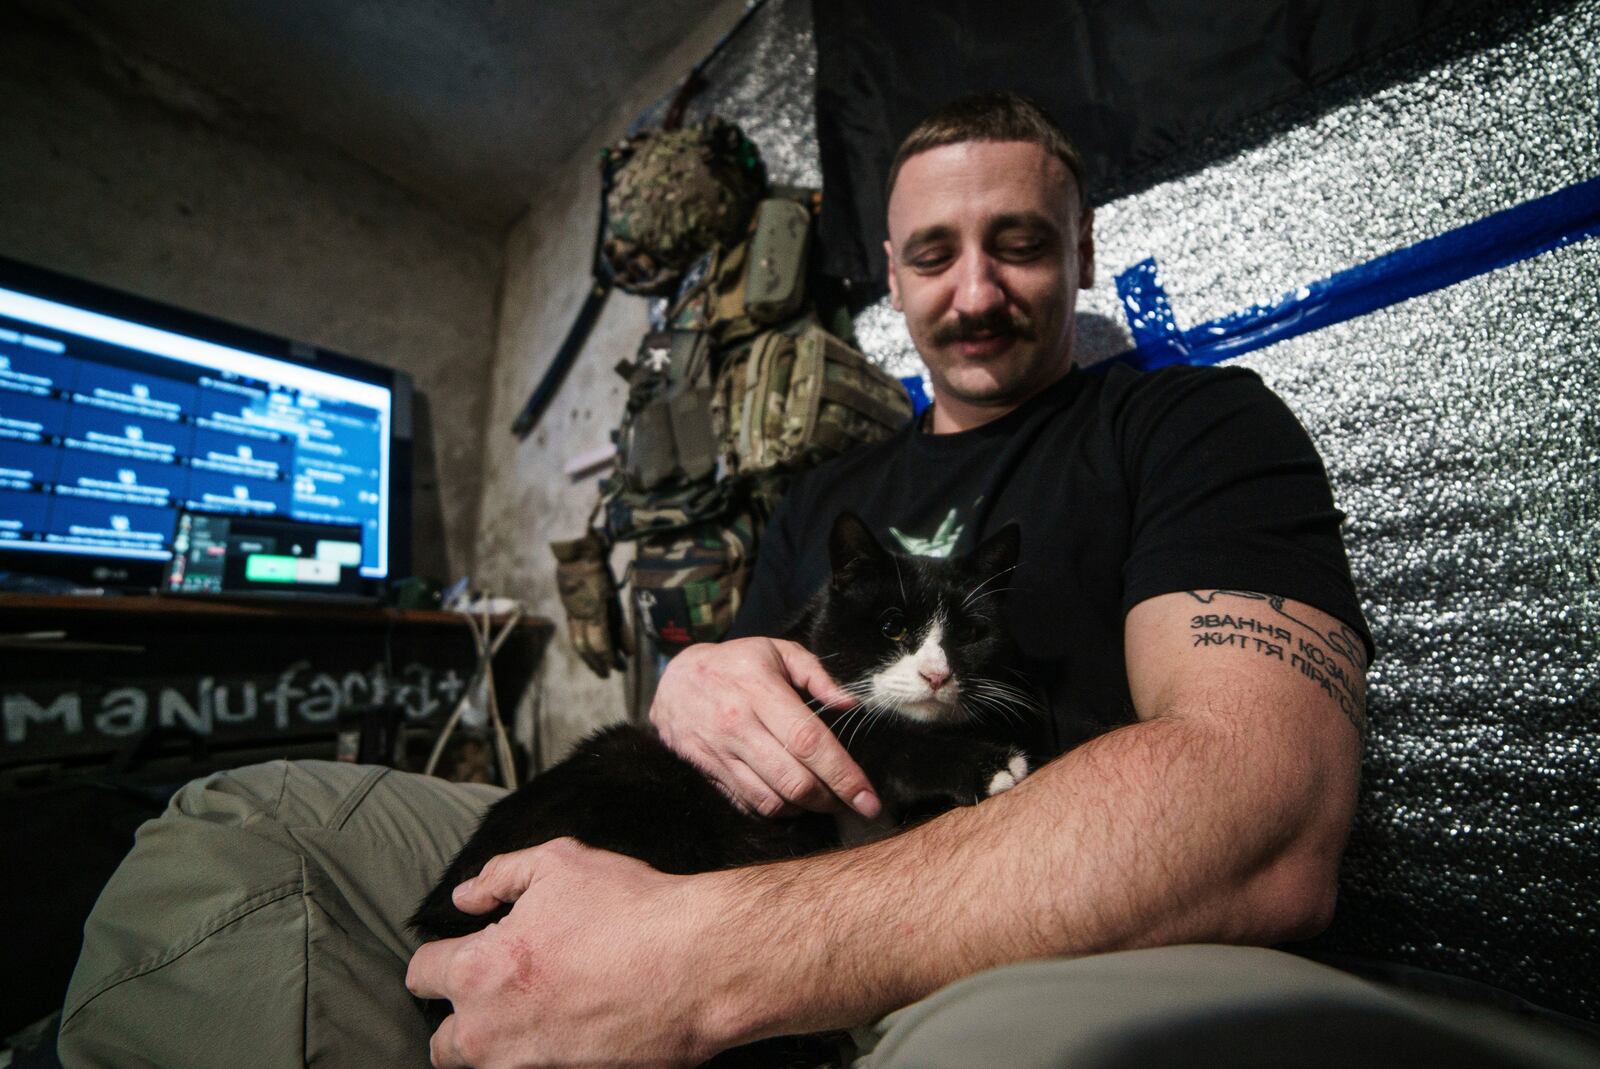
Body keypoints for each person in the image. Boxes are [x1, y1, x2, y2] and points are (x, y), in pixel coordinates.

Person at [59, 93, 1591, 1069]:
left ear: (1080, 249)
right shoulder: (830, 495)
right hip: (708, 840)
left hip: (972, 919)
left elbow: (1264, 816)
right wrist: (692, 674)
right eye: (934, 253)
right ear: (888, 268)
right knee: (243, 820)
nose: (975, 289)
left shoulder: (1189, 426)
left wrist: (702, 957)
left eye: (1018, 245)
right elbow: (736, 685)